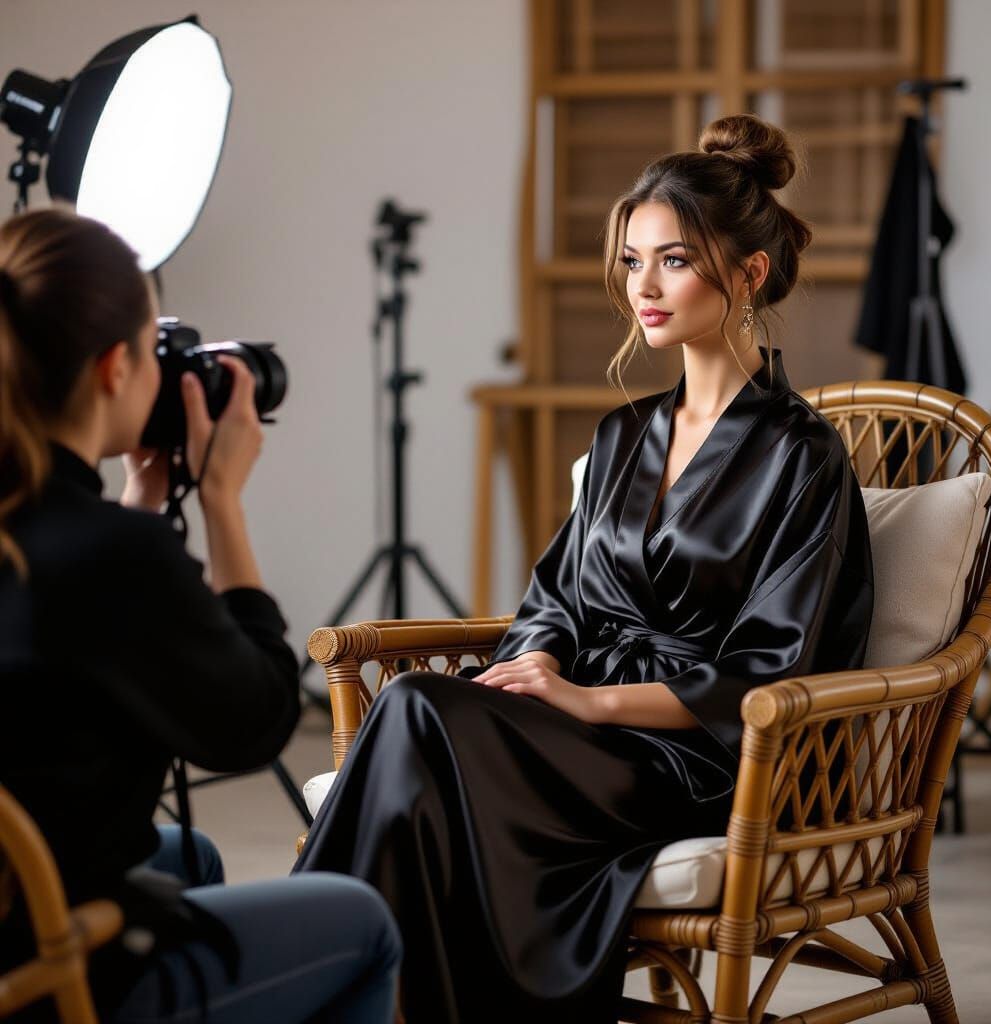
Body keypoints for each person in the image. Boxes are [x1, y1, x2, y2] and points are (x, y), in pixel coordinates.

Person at [294, 115, 874, 1023]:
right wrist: (545, 669)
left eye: (674, 260)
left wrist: (591, 701)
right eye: (633, 259)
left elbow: (770, 668)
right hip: (578, 734)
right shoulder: (622, 435)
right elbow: (553, 601)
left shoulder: (804, 457)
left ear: (749, 273)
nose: (642, 286)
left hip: (694, 759)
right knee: (417, 709)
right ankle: (360, 993)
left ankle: (307, 978)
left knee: (410, 711)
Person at [0, 207, 400, 1023]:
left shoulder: (57, 536)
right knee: (362, 924)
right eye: (155, 351)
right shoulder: (110, 558)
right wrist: (220, 504)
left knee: (190, 854)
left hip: (13, 904)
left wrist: (141, 502)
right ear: (116, 368)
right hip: (46, 969)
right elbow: (252, 723)